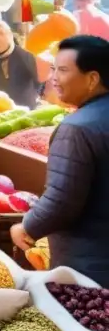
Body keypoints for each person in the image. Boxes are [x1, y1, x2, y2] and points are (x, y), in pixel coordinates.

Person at [11, 35, 109, 283]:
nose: (53, 78)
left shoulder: (77, 128)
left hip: (90, 268)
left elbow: (62, 201)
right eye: (54, 68)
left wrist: (27, 227)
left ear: (92, 79)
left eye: (63, 70)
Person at [0, 20, 40, 108]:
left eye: (1, 33)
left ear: (10, 34)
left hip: (24, 107)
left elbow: (38, 81)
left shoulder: (25, 56)